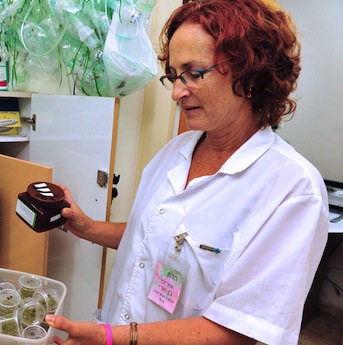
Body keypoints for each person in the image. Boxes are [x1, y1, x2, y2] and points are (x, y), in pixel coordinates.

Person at [45, 0, 330, 344]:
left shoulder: (292, 190)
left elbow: (241, 328)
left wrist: (113, 338)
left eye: (194, 73)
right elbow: (153, 236)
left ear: (250, 73)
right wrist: (88, 228)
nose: (178, 92)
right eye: (174, 76)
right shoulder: (175, 152)